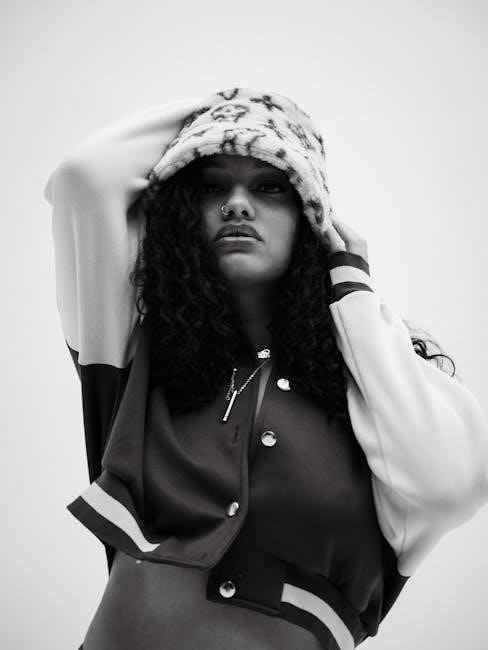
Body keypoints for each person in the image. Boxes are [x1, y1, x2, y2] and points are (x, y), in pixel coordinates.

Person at [44, 87, 488, 650]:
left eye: (270, 186)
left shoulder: (380, 391)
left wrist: (351, 289)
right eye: (211, 187)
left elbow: (452, 485)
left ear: (312, 218)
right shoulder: (136, 346)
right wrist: (236, 109)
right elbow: (85, 177)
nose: (236, 204)